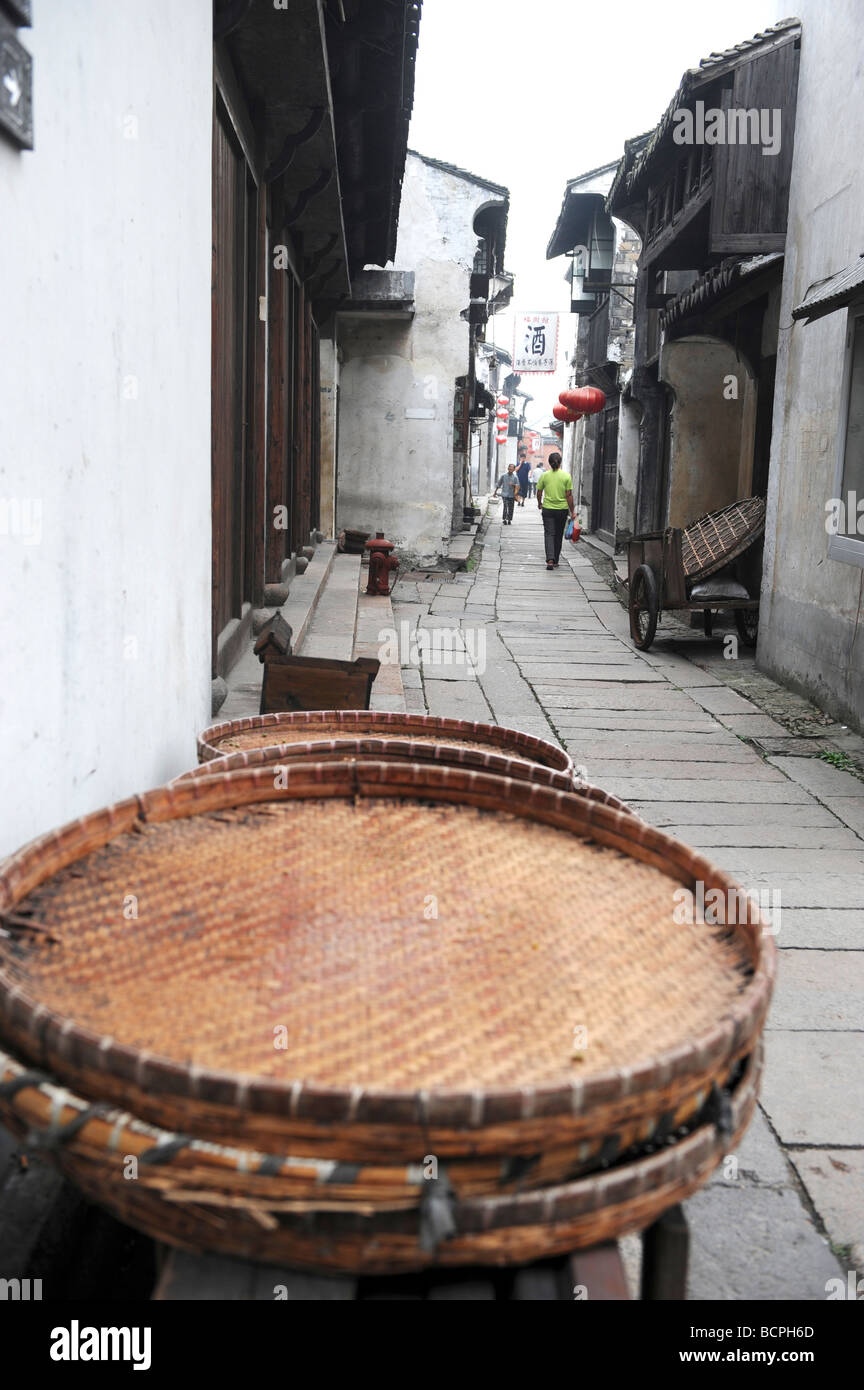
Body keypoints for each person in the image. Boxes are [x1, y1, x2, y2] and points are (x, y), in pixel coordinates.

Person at [535, 452, 575, 569]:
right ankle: (556, 560)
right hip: (562, 510)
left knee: (549, 534)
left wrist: (539, 503)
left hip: (547, 509)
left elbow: (539, 492)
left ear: (549, 462)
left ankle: (550, 560)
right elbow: (569, 495)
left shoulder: (544, 475)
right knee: (558, 535)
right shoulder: (566, 476)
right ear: (560, 462)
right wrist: (572, 511)